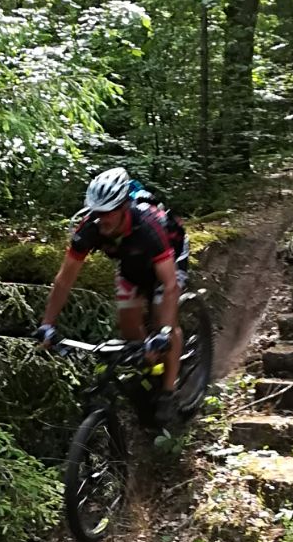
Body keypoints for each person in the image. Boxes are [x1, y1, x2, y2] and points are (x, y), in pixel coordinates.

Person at [36, 167, 188, 427]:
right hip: (131, 265)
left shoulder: (149, 226)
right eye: (97, 212)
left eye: (108, 212)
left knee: (167, 322)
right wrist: (47, 324)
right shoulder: (90, 229)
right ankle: (149, 368)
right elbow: (64, 280)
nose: (101, 219)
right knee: (128, 326)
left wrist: (162, 331)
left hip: (167, 261)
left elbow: (170, 284)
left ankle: (168, 392)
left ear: (124, 207)